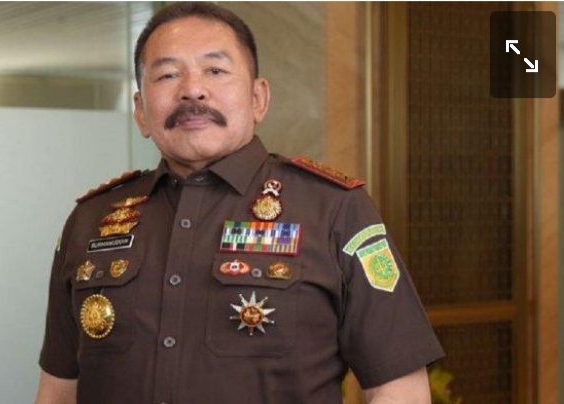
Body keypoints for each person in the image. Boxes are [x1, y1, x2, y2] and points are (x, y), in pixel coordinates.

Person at [36, 2, 444, 403]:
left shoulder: (334, 210)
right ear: (141, 112)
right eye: (167, 74)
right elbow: (58, 390)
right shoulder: (91, 221)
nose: (192, 89)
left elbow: (400, 389)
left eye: (215, 70)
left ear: (258, 98)